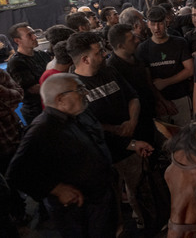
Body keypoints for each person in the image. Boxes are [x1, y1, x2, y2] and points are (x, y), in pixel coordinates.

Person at [6, 73, 118, 237]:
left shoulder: (78, 115)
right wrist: (56, 189)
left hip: (100, 200)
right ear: (60, 99)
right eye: (79, 89)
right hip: (77, 211)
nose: (86, 93)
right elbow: (16, 174)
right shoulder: (42, 130)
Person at [68, 32, 154, 229]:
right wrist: (116, 130)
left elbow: (133, 97)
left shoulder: (110, 71)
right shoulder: (72, 87)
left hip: (131, 149)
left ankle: (146, 224)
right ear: (85, 59)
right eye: (99, 52)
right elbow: (86, 125)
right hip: (103, 156)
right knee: (109, 206)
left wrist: (132, 122)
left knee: (140, 192)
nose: (105, 54)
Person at [137, 6, 194, 126]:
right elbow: (147, 80)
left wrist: (166, 82)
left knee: (186, 136)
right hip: (158, 103)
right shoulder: (143, 48)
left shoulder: (179, 42)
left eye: (160, 24)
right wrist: (160, 101)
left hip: (181, 98)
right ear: (148, 24)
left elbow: (190, 70)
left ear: (166, 22)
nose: (156, 28)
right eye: (153, 24)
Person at [7, 23, 52, 124]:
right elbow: (32, 89)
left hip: (52, 105)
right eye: (29, 35)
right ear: (17, 41)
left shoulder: (42, 55)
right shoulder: (16, 62)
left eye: (34, 33)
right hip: (37, 111)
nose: (34, 37)